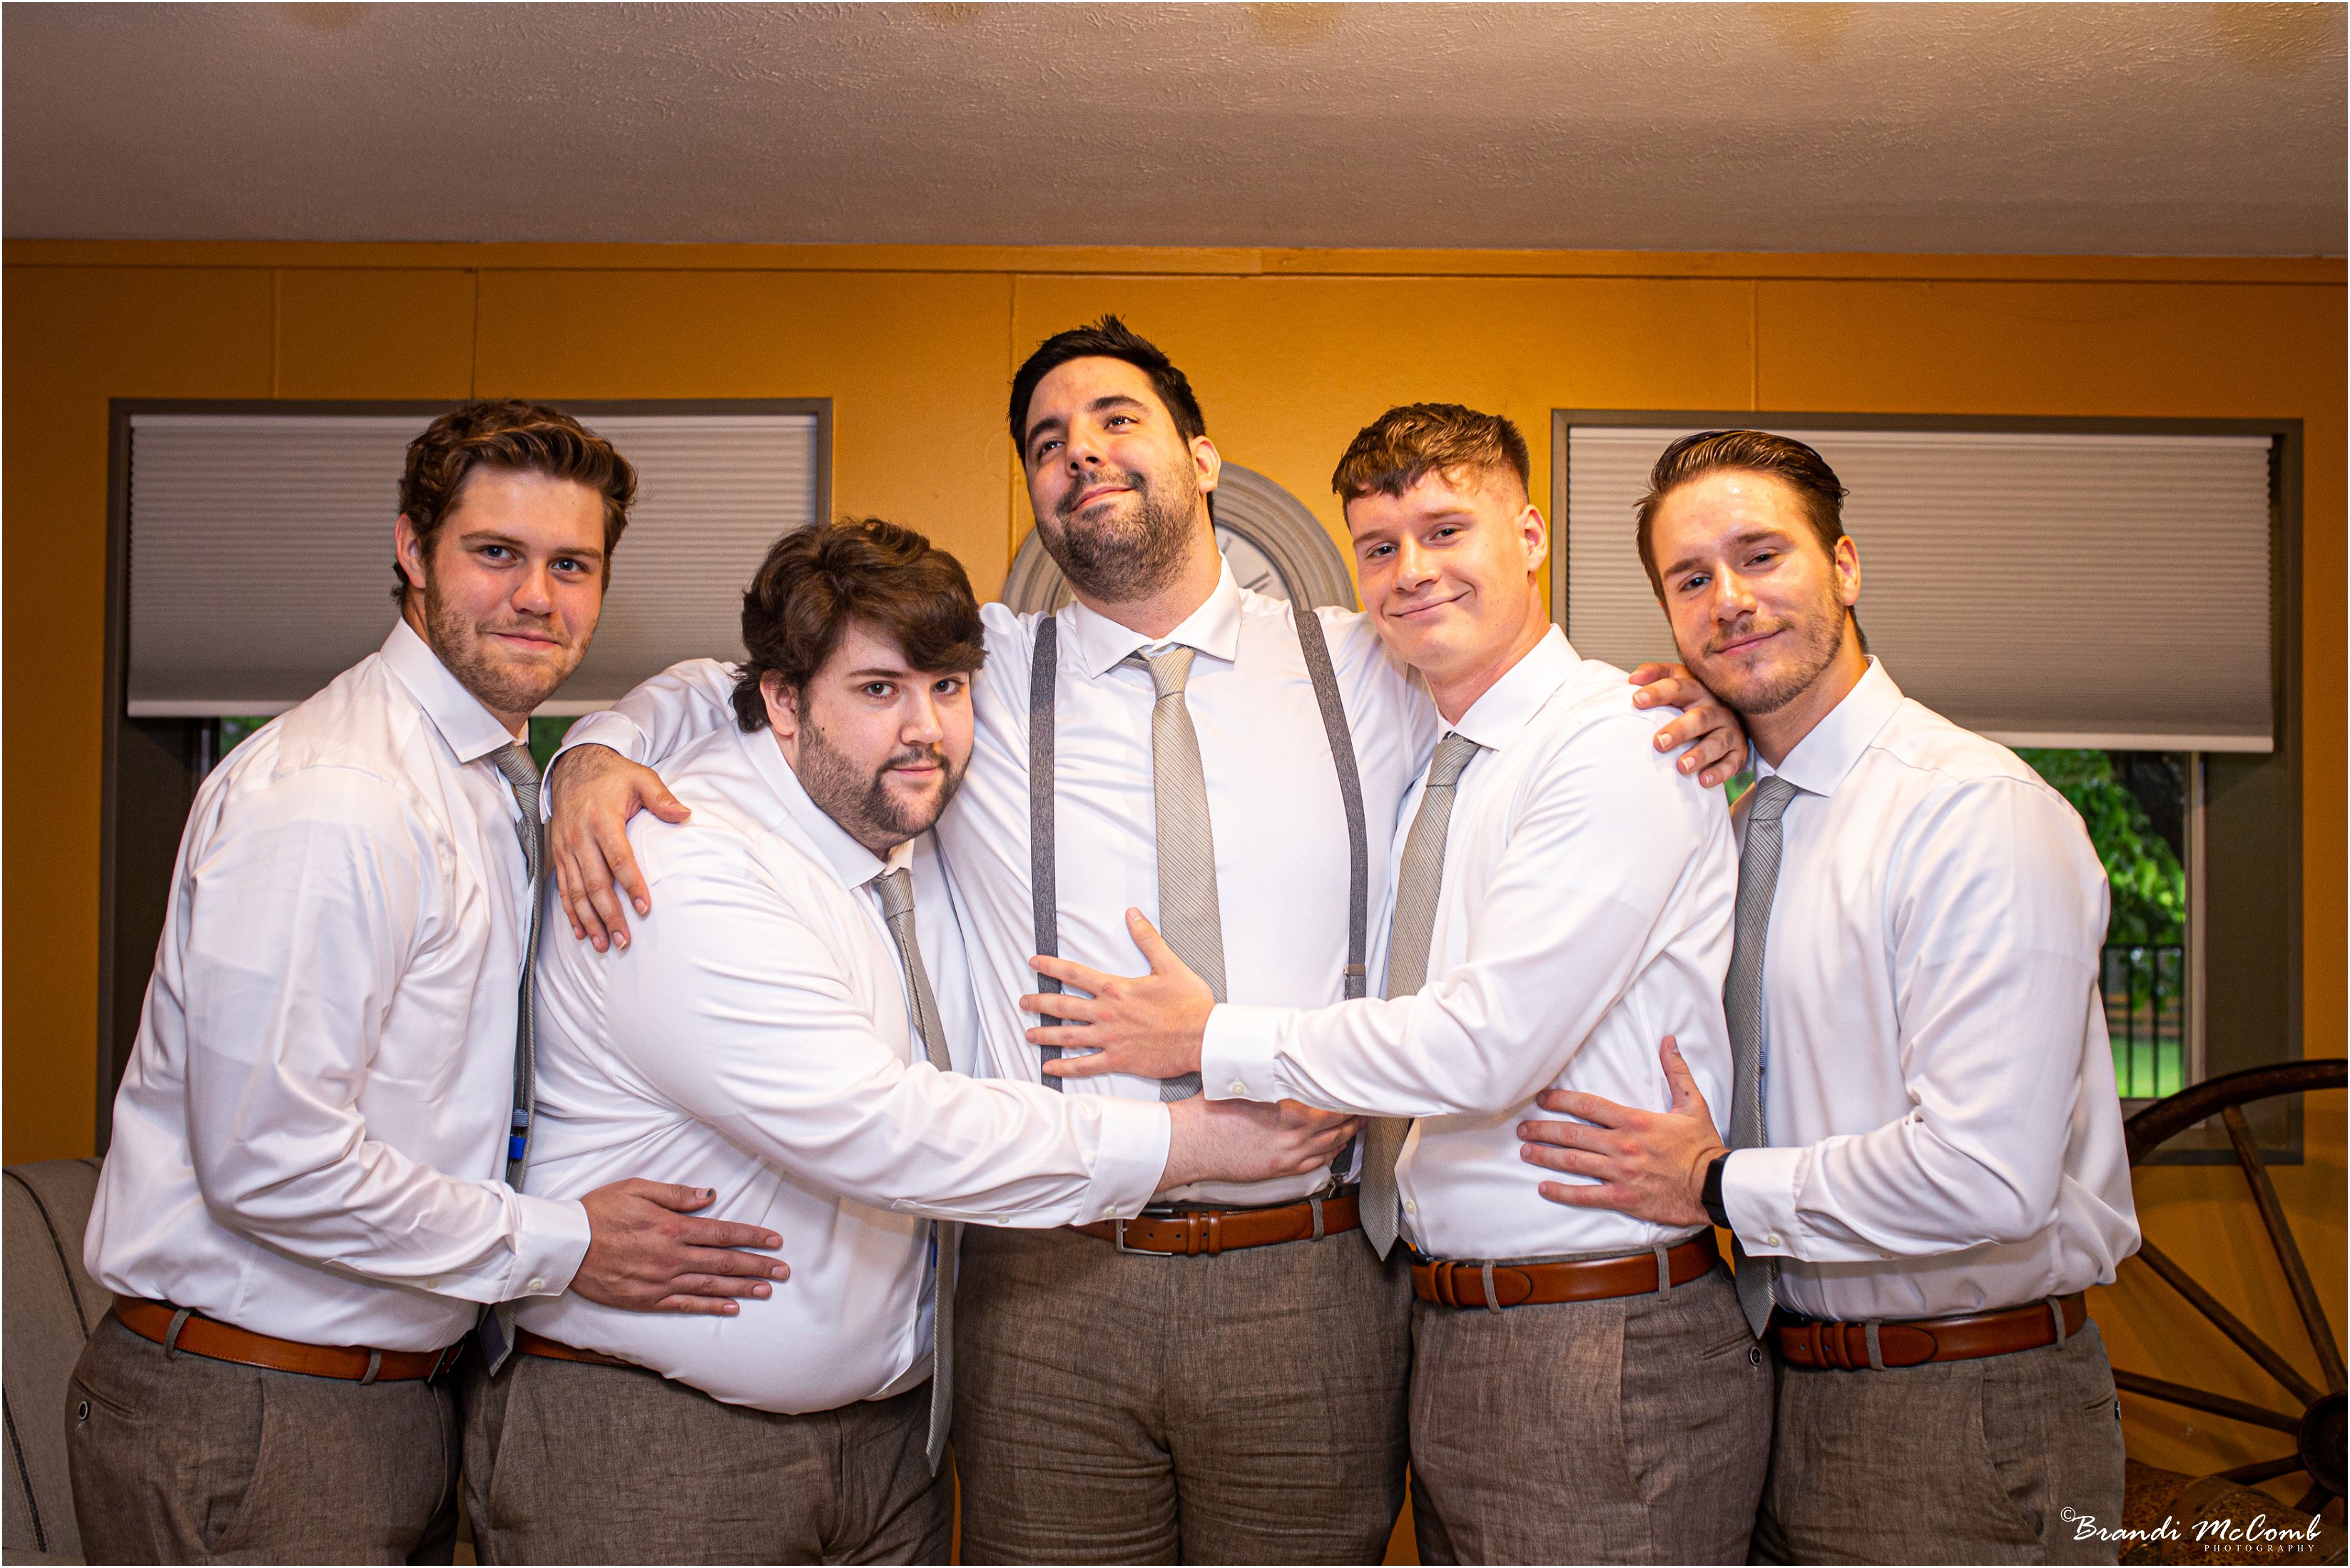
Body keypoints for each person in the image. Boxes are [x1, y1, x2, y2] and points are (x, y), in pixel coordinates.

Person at [544, 322, 1747, 1564]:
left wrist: (1710, 705)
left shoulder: (1366, 660)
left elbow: (1514, 685)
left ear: (1202, 457)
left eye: (1117, 419)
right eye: (1046, 442)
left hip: (1308, 1272)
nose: (1081, 452)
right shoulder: (975, 674)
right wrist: (593, 752)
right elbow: (747, 681)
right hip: (1049, 1281)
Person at [462, 519, 1352, 1563]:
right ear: (783, 702)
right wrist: (1195, 1143)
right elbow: (881, 1125)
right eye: (879, 689)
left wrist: (598, 741)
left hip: (888, 1458)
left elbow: (700, 684)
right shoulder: (683, 862)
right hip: (663, 1445)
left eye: (948, 687)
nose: (925, 728)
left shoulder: (896, 832)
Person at [1009, 403, 1772, 1564]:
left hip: (1600, 1330)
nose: (1411, 571)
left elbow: (1486, 1046)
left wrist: (1210, 1037)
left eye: (1445, 530)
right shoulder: (1429, 752)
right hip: (1451, 1325)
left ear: (1528, 535)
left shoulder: (1619, 742)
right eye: (1378, 546)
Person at [71, 401, 788, 1564]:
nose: (536, 597)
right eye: (495, 552)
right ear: (412, 549)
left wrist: (598, 748)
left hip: (392, 1398)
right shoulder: (338, 794)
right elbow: (270, 1157)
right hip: (257, 1409)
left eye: (572, 565)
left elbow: (726, 683)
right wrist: (565, 1241)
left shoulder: (492, 779)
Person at [1515, 429, 2140, 1564]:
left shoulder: (1971, 815)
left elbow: (1987, 1174)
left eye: (1762, 556)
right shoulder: (1732, 819)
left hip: (1960, 1405)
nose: (1728, 600)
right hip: (1774, 1389)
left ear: (1844, 565)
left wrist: (1713, 1181)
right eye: (1690, 579)